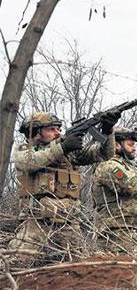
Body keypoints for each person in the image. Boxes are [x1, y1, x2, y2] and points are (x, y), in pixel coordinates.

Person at [10, 111, 118, 261]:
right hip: (36, 221)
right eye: (51, 129)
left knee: (78, 267)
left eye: (59, 129)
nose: (58, 133)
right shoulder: (24, 150)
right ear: (36, 133)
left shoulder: (69, 154)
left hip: (68, 222)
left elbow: (104, 154)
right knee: (17, 262)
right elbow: (29, 163)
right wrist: (63, 147)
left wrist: (108, 131)